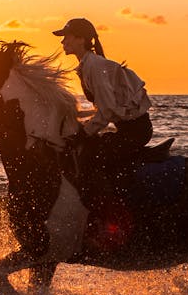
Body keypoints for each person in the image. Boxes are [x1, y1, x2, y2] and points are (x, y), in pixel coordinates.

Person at [52, 17, 153, 209]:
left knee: (93, 158)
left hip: (136, 131)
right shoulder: (88, 65)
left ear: (81, 39)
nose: (63, 42)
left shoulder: (95, 66)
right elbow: (105, 111)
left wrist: (83, 133)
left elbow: (107, 111)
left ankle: (112, 209)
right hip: (128, 129)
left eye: (67, 37)